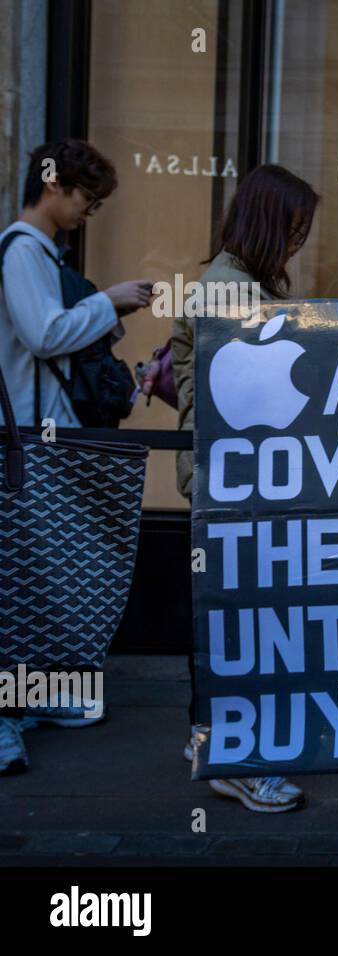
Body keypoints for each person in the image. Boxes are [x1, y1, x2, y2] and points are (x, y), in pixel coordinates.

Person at [0, 140, 154, 775]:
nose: (89, 211)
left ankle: (36, 697)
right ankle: (12, 712)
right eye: (87, 199)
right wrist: (108, 301)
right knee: (20, 579)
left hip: (42, 441)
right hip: (28, 442)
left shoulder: (33, 252)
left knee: (42, 575)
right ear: (56, 186)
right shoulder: (21, 251)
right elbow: (43, 334)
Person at [172, 163, 318, 812]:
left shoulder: (230, 282)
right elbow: (252, 395)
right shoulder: (230, 292)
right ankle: (232, 759)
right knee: (237, 625)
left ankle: (216, 743)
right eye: (293, 228)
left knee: (230, 620)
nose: (298, 242)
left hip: (232, 480)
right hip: (235, 484)